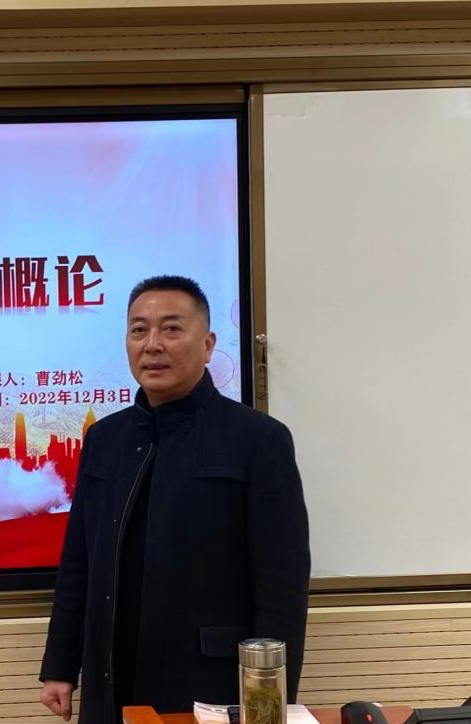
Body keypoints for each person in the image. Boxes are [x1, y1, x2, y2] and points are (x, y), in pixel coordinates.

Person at [39, 275, 310, 722]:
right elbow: (79, 563)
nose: (153, 345)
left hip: (209, 682)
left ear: (207, 345)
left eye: (171, 329)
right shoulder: (105, 439)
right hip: (111, 675)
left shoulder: (258, 440)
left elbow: (281, 587)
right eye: (139, 330)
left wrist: (269, 701)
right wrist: (61, 667)